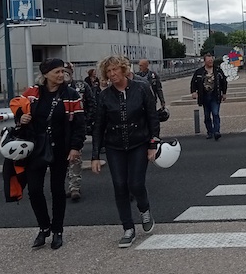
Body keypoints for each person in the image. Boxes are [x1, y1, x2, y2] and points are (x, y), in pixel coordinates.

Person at [91, 55, 160, 248]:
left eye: (115, 69)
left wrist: (153, 144)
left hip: (139, 142)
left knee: (136, 183)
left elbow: (152, 117)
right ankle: (128, 228)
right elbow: (98, 126)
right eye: (108, 71)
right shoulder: (104, 96)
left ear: (123, 69)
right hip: (114, 146)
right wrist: (95, 155)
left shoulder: (142, 88)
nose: (112, 74)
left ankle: (144, 209)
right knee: (119, 185)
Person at [18, 58, 86, 250]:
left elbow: (79, 124)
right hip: (36, 148)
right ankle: (44, 227)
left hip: (60, 147)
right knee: (34, 189)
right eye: (57, 72)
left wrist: (75, 147)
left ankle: (57, 230)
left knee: (57, 190)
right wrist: (21, 118)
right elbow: (17, 109)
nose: (61, 75)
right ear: (45, 74)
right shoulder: (32, 93)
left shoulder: (71, 95)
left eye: (62, 71)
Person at [64, 61, 97, 202]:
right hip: (59, 129)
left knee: (75, 157)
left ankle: (74, 187)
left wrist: (86, 121)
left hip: (76, 127)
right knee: (61, 159)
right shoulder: (53, 90)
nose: (64, 74)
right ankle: (67, 183)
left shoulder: (81, 86)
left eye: (67, 71)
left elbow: (91, 103)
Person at [190, 53, 228, 140]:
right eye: (209, 60)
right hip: (204, 96)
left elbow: (224, 82)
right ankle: (210, 132)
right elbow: (193, 82)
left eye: (211, 60)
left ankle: (216, 131)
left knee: (215, 113)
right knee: (207, 116)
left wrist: (224, 93)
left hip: (215, 95)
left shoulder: (218, 71)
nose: (210, 62)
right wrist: (193, 92)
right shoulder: (199, 72)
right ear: (205, 61)